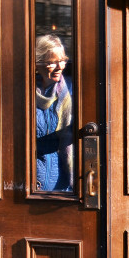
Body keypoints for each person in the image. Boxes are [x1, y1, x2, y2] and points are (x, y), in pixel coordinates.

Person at [34, 34, 74, 192]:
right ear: (37, 63)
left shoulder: (70, 92)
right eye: (52, 62)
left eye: (63, 60)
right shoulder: (23, 94)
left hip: (65, 186)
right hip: (31, 184)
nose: (60, 66)